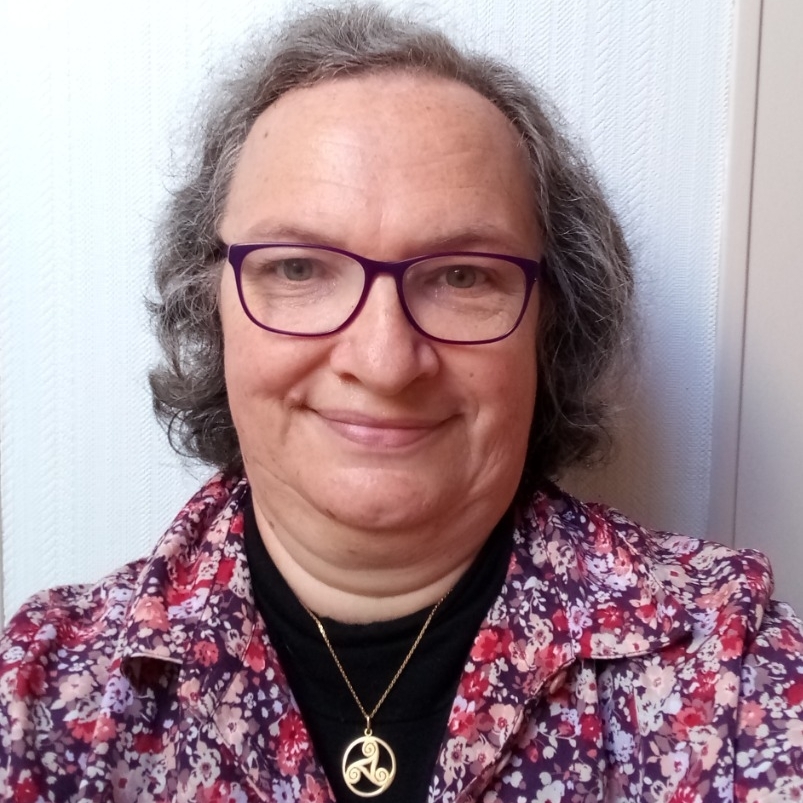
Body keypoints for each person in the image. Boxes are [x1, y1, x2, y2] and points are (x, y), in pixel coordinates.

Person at [1, 4, 801, 802]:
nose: (384, 362)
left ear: (550, 325)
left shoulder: (734, 676)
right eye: (298, 268)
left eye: (462, 276)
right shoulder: (44, 698)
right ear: (207, 307)